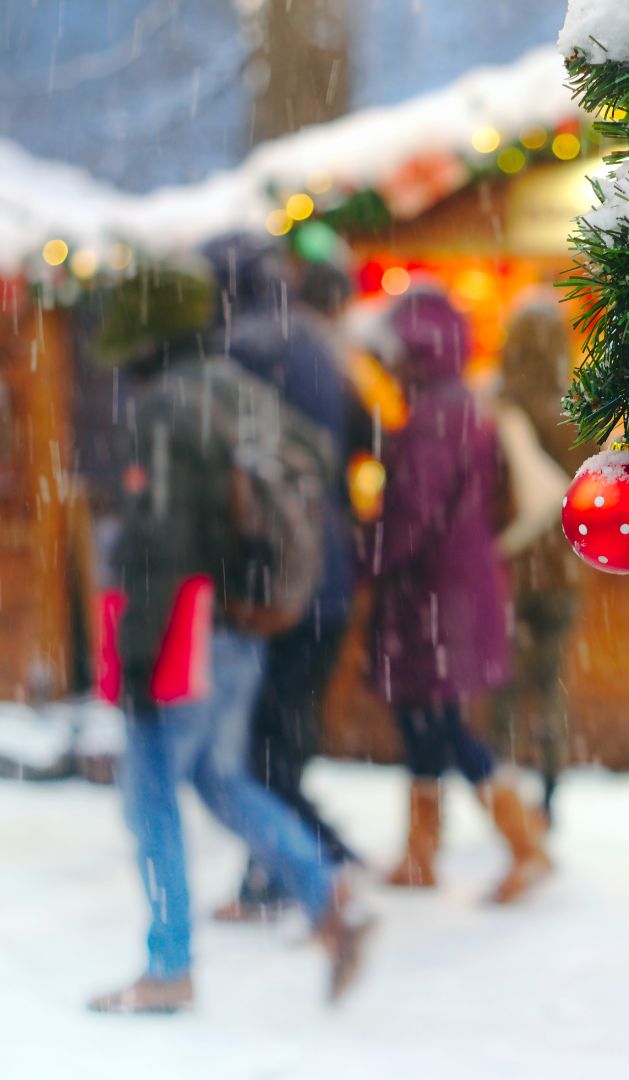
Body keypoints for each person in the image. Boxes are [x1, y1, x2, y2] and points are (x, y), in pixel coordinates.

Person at [87, 259, 369, 1014]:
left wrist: (138, 658)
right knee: (222, 779)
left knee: (149, 796)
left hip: (183, 626)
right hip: (245, 623)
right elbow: (313, 458)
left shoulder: (166, 408)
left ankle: (168, 966)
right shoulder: (238, 389)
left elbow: (158, 543)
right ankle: (328, 897)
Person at [202, 237, 369, 920]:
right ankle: (305, 861)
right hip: (326, 565)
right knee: (286, 731)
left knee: (259, 740)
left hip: (274, 576)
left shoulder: (239, 351)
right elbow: (363, 441)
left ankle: (297, 870)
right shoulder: (319, 347)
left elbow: (228, 475)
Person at [370, 285, 551, 904]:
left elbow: (411, 517)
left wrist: (363, 552)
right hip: (453, 592)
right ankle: (422, 852)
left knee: (441, 726)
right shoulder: (458, 405)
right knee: (425, 723)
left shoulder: (432, 416)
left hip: (432, 599)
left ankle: (524, 845)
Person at [489, 299, 589, 827]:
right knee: (549, 686)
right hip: (561, 571)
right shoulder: (577, 410)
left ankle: (502, 796)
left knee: (500, 688)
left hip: (503, 567)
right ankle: (549, 792)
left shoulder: (497, 405)